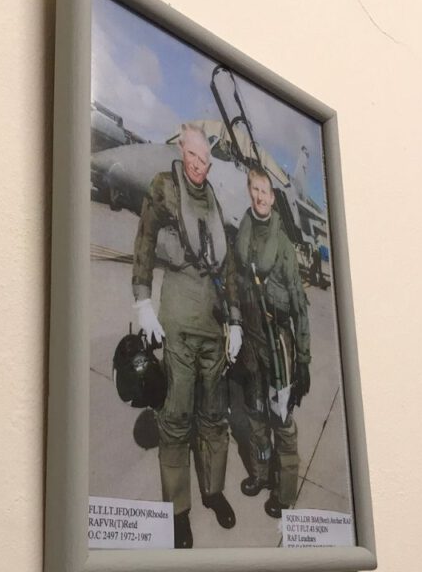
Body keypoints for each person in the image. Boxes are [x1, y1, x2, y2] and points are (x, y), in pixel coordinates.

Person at [131, 123, 243, 549]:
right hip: (177, 318)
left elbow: (227, 267)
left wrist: (235, 321)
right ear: (182, 152)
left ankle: (213, 492)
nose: (198, 167)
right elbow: (143, 241)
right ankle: (178, 512)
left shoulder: (213, 199)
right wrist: (142, 301)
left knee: (214, 418)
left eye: (204, 161)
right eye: (192, 158)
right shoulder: (165, 188)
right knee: (176, 419)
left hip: (213, 326)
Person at [234, 167, 311, 518]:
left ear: (272, 194)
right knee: (255, 416)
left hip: (278, 343)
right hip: (250, 341)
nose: (259, 196)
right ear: (249, 191)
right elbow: (235, 280)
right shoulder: (244, 233)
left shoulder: (283, 245)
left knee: (282, 420)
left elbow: (299, 306)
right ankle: (262, 475)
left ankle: (285, 491)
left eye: (264, 190)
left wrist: (304, 360)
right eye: (254, 189)